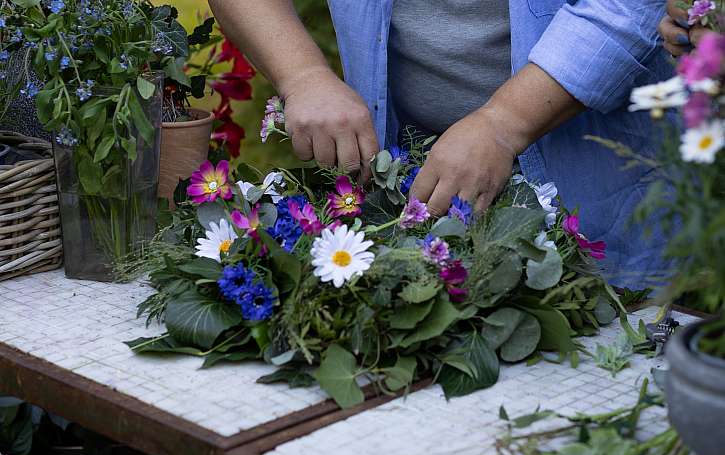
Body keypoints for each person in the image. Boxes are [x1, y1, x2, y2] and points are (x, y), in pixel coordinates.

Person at [209, 0, 674, 289]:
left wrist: (503, 123)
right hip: (415, 195)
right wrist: (303, 75)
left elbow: (628, 7)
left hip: (598, 191)